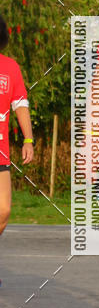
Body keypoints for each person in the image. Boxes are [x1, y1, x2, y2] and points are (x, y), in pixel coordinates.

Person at [0, 15, 34, 240]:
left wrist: (28, 139)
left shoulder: (10, 67)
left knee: (3, 210)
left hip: (1, 151)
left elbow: (20, 105)